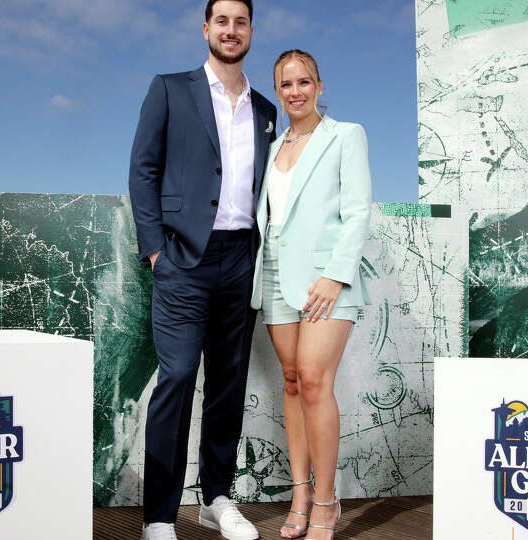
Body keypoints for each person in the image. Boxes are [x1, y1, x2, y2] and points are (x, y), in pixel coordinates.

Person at [128, 1, 277, 539]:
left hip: (241, 260)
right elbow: (143, 168)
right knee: (178, 378)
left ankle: (216, 498)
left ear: (250, 31)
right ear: (206, 28)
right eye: (222, 21)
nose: (231, 30)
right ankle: (160, 517)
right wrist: (154, 249)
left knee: (228, 385)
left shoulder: (265, 108)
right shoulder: (169, 89)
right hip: (182, 260)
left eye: (240, 22)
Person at [250, 49, 372, 540]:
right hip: (275, 276)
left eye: (304, 82)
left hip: (326, 279)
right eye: (285, 84)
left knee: (317, 382)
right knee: (295, 382)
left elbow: (358, 210)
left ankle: (327, 499)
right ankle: (300, 493)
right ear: (277, 91)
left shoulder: (346, 136)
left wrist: (335, 274)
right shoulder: (274, 147)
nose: (295, 91)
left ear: (319, 85)